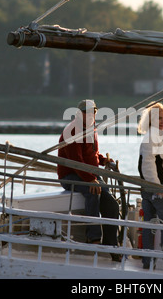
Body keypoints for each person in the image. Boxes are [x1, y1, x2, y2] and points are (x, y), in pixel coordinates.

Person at [57, 99, 121, 260]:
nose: (91, 115)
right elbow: (76, 162)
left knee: (112, 204)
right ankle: (93, 237)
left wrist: (103, 160)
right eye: (87, 112)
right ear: (79, 114)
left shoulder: (91, 129)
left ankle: (111, 243)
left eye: (93, 112)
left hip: (89, 174)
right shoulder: (72, 131)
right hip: (70, 175)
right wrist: (90, 180)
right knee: (94, 192)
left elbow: (91, 155)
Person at [137, 102, 163, 271]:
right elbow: (147, 165)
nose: (162, 121)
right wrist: (157, 188)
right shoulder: (150, 139)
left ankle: (148, 262)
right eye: (158, 118)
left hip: (151, 187)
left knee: (150, 224)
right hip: (157, 188)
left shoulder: (156, 136)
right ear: (151, 120)